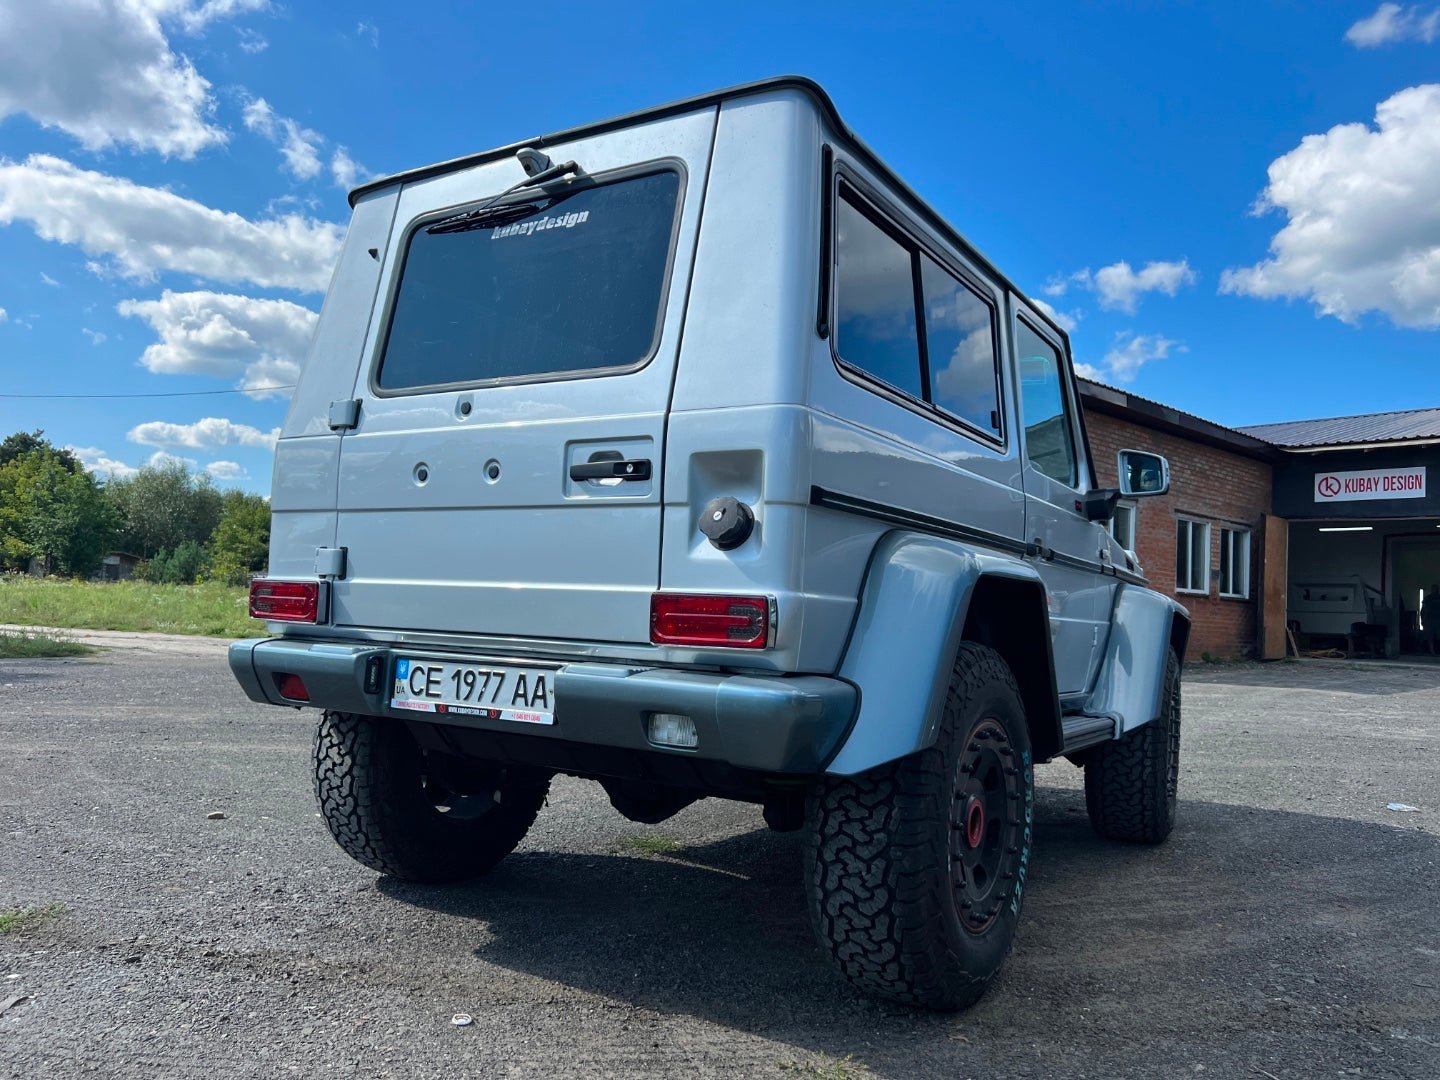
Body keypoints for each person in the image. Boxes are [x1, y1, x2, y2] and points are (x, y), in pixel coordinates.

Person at [1423, 585, 1440, 656]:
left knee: (1437, 635)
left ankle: (1435, 650)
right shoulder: (1428, 598)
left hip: (1437, 619)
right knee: (1430, 636)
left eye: (1436, 589)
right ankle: (1432, 651)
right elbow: (1424, 609)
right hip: (1430, 620)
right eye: (1433, 589)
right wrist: (1423, 619)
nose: (1434, 590)